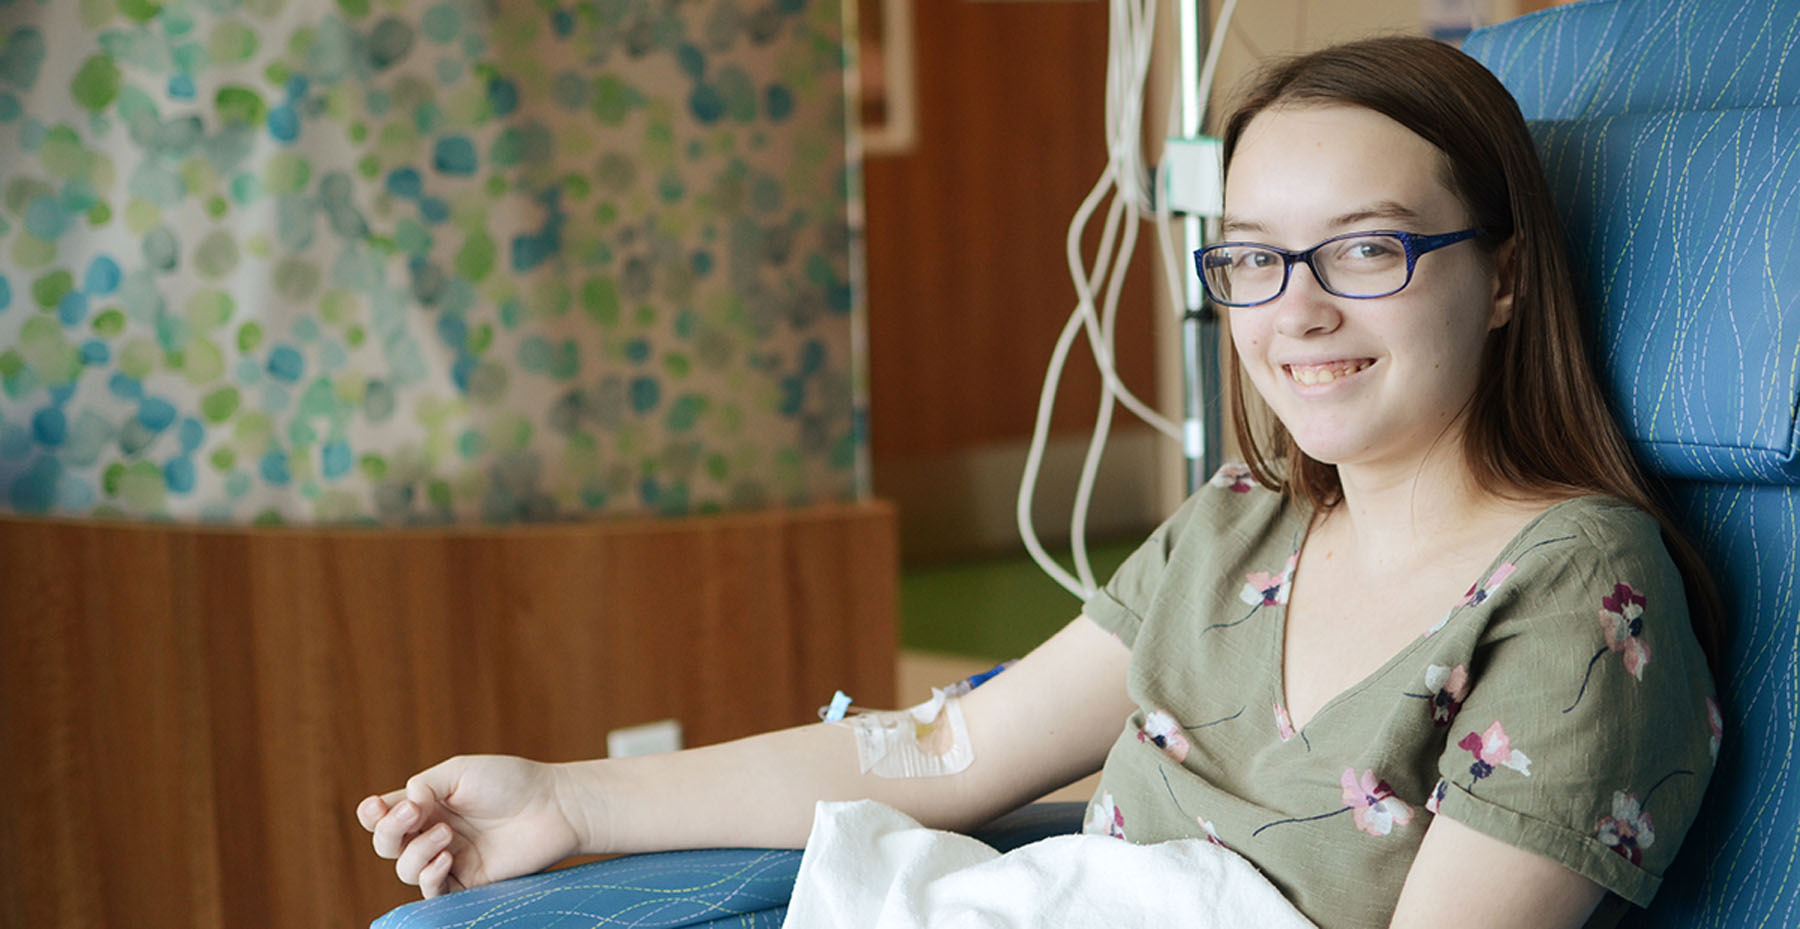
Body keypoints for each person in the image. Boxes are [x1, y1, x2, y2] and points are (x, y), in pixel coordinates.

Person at [358, 36, 1720, 929]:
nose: (1294, 312)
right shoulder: (1241, 524)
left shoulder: (1578, 591)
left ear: (1508, 278)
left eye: (1367, 250)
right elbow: (951, 747)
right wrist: (566, 800)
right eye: (1250, 257)